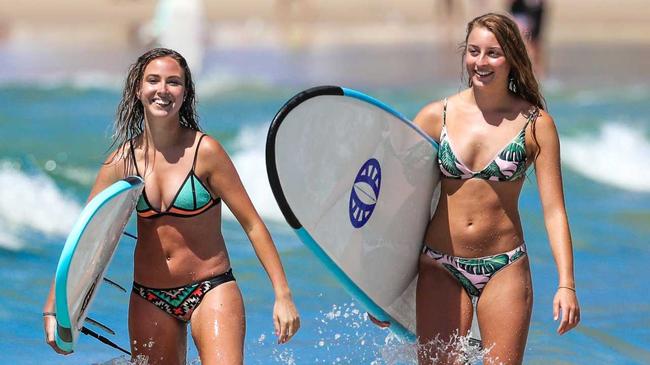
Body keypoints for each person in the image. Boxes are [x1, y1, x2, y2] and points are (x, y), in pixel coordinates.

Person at [43, 48, 300, 364]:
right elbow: (85, 238)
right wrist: (56, 306)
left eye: (173, 82)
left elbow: (252, 224)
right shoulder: (122, 162)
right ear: (138, 90)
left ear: (185, 92)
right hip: (149, 297)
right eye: (153, 80)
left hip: (210, 288)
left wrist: (282, 294)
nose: (162, 90)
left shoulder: (204, 152)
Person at [413, 13, 579, 364]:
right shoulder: (435, 116)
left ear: (513, 59)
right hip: (440, 264)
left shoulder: (536, 125)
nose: (480, 62)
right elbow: (399, 201)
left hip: (504, 267)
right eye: (473, 51)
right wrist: (378, 286)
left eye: (493, 53)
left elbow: (554, 211)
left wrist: (566, 283)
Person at [508, 0, 546, 77]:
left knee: (535, 42)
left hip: (534, 10)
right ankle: (527, 70)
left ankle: (538, 71)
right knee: (524, 41)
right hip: (520, 12)